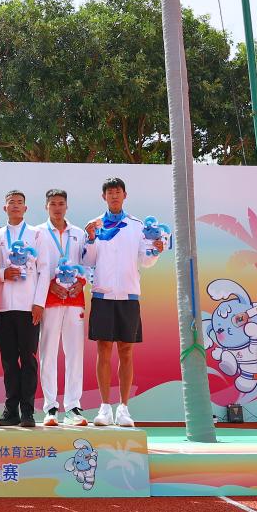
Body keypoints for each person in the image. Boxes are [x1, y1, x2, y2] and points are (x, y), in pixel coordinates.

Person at [86, 177, 165, 428]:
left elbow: (146, 260)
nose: (114, 196)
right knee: (103, 349)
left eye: (118, 192)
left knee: (126, 351)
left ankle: (123, 408)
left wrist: (156, 250)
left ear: (125, 195)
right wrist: (90, 238)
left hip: (129, 296)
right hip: (103, 295)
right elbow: (88, 260)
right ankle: (104, 407)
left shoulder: (137, 226)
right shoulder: (95, 225)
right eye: (110, 192)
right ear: (104, 197)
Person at [38, 188, 95, 428]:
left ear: (67, 206)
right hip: (50, 299)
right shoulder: (39, 233)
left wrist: (80, 282)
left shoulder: (79, 233)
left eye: (61, 203)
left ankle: (73, 406)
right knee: (48, 352)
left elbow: (87, 264)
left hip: (74, 299)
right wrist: (50, 286)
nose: (57, 207)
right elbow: (37, 266)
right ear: (46, 206)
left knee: (74, 353)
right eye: (53, 203)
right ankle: (50, 406)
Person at [0, 190, 49, 428]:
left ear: (25, 208)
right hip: (3, 307)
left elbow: (44, 270)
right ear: (4, 208)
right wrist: (2, 274)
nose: (15, 206)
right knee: (8, 361)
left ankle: (27, 411)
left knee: (28, 360)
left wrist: (39, 303)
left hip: (29, 307)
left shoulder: (37, 234)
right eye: (11, 203)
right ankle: (11, 411)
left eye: (19, 203)